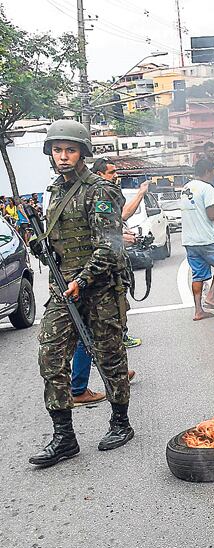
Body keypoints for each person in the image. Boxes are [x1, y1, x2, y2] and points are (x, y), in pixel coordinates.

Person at [29, 120, 133, 468]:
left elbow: (110, 247)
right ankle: (64, 437)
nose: (63, 156)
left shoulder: (99, 191)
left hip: (99, 289)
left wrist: (83, 280)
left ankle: (121, 422)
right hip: (64, 290)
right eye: (57, 150)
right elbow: (58, 241)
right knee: (50, 355)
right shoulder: (55, 192)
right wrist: (39, 240)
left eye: (70, 150)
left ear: (82, 153)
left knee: (110, 356)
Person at [91, 157, 146, 348]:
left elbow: (115, 221)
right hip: (104, 262)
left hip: (115, 260)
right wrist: (140, 194)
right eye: (112, 172)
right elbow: (120, 217)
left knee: (120, 299)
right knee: (111, 305)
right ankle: (116, 339)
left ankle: (120, 336)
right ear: (100, 174)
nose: (116, 175)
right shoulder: (99, 193)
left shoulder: (106, 192)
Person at [181, 158, 214, 321]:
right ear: (208, 171)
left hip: (189, 241)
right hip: (207, 240)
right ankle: (210, 296)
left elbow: (198, 214)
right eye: (213, 172)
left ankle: (198, 310)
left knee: (197, 276)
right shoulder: (207, 188)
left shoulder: (186, 188)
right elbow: (211, 214)